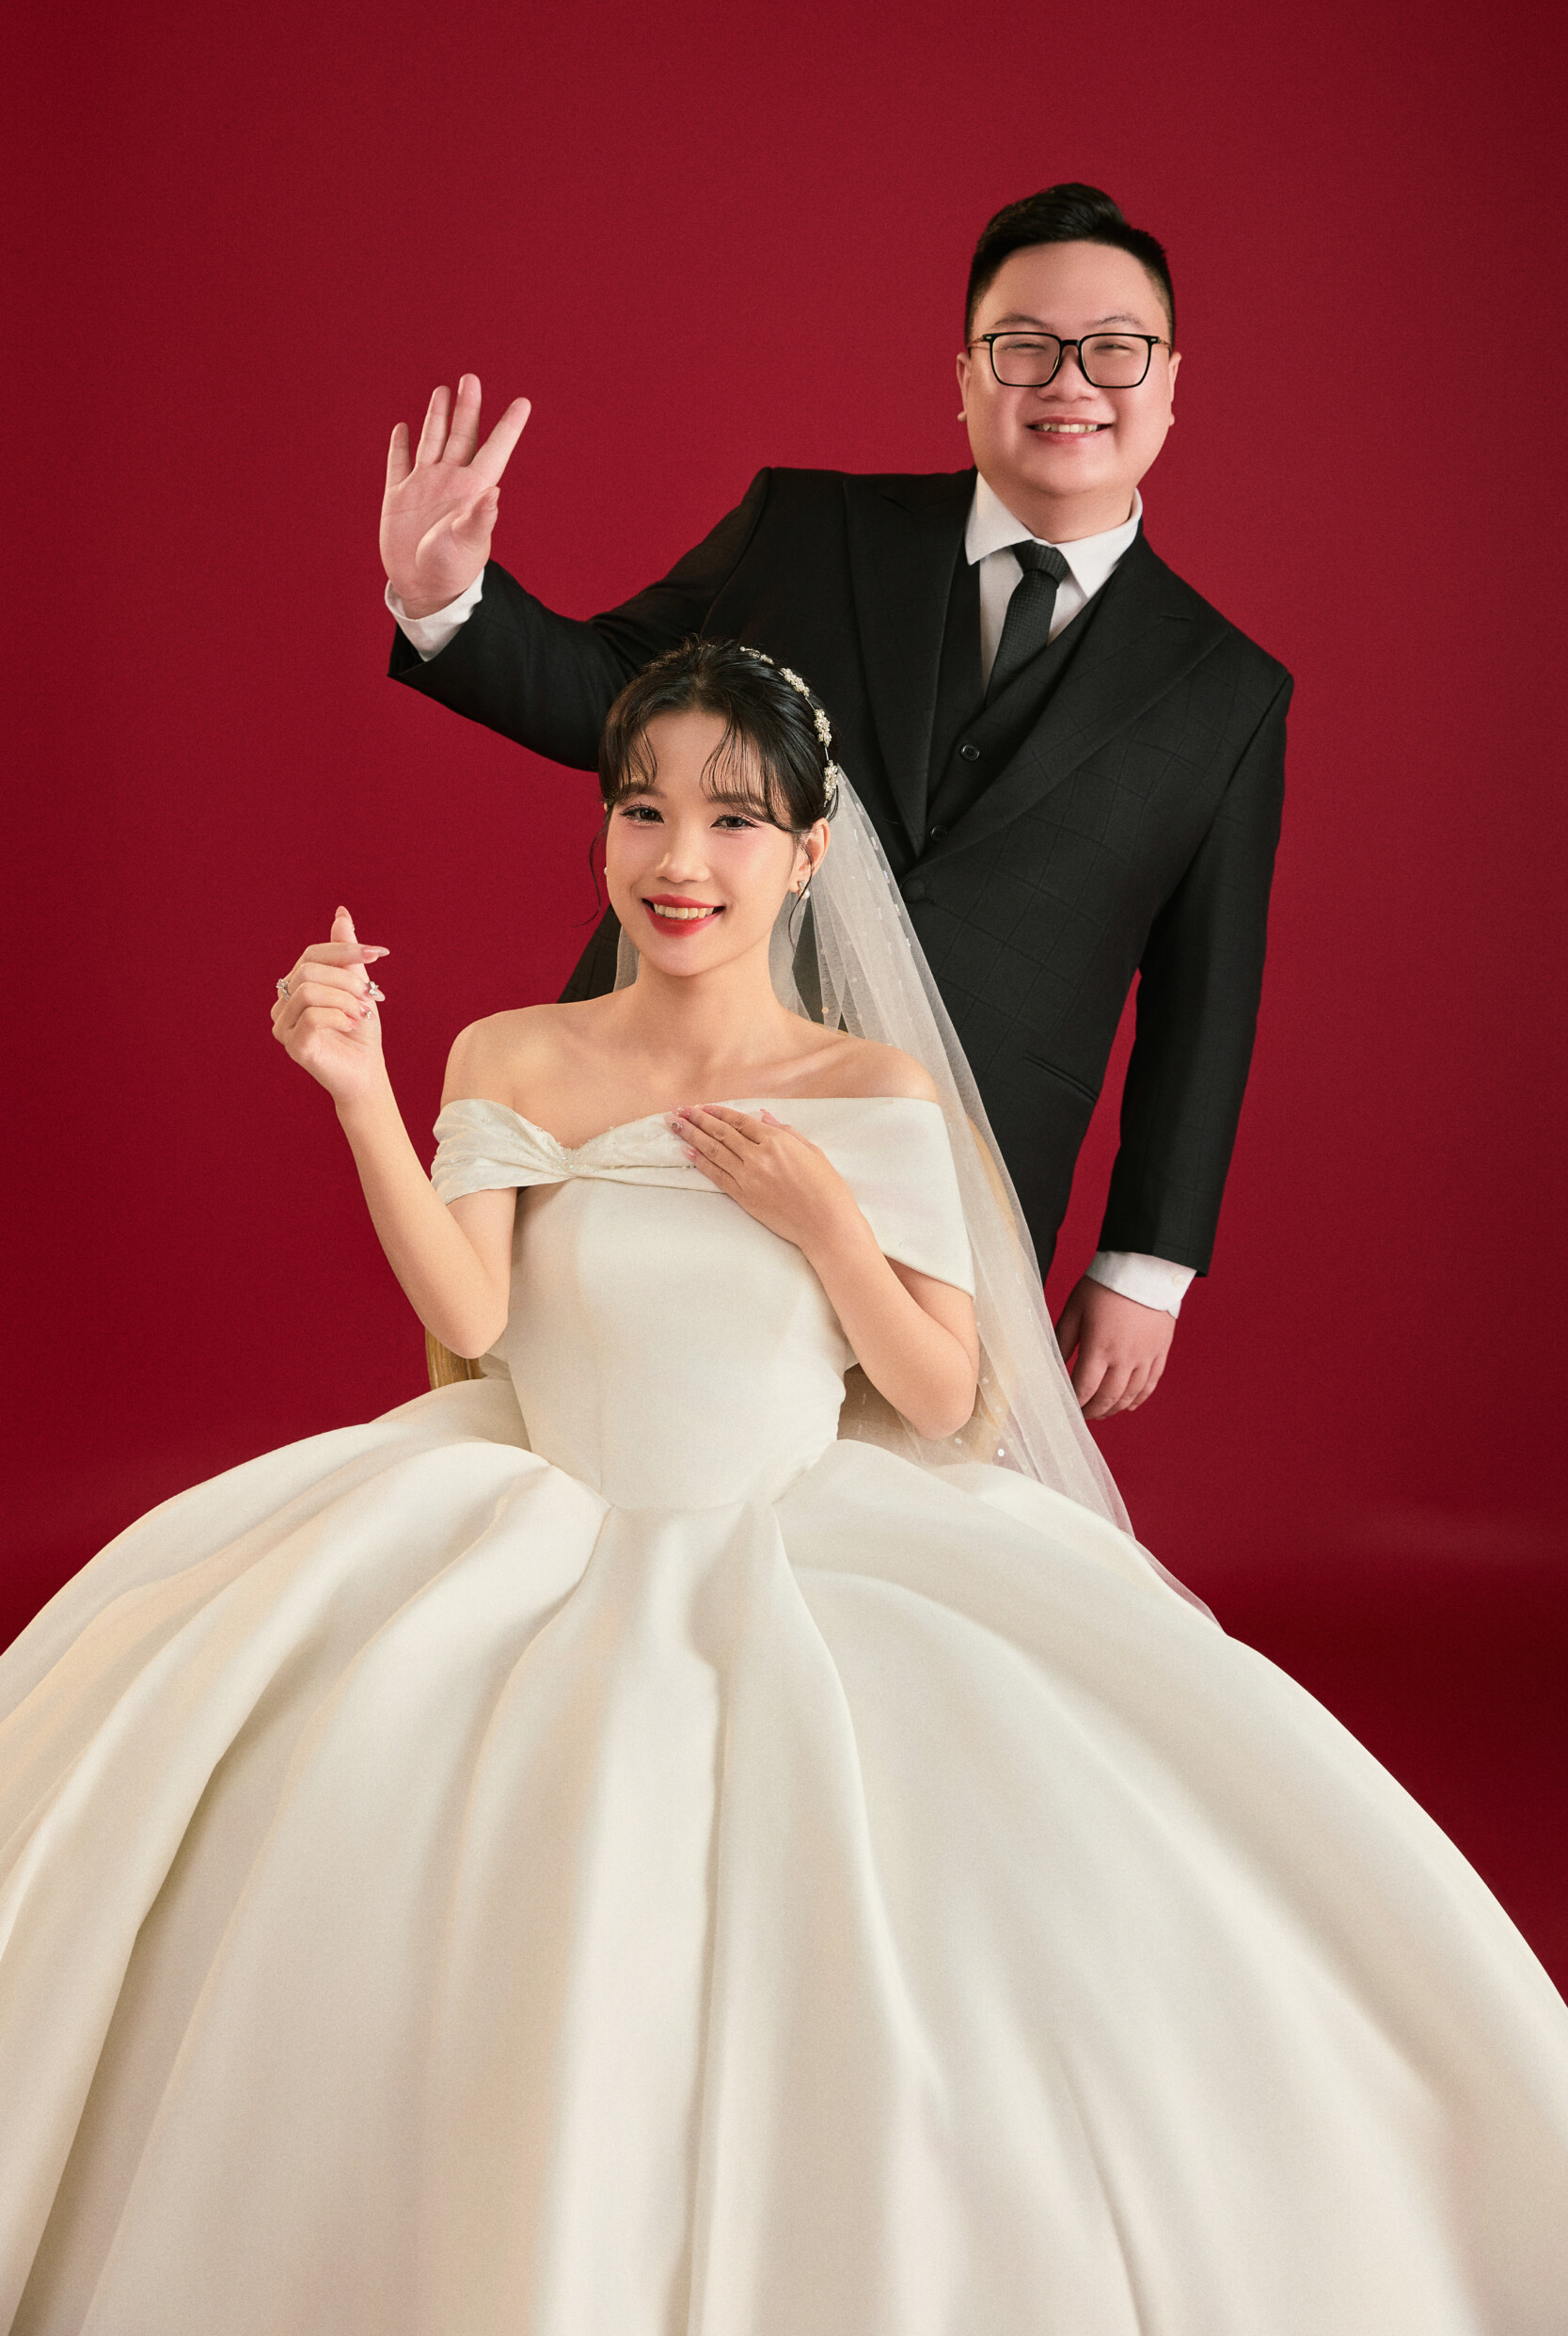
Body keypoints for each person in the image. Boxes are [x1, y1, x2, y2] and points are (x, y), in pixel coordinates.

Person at [3, 641, 1565, 2334]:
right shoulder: (514, 1053)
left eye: (736, 821)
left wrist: (827, 1222)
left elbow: (945, 1394)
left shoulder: (870, 1091)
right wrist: (363, 1092)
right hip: (540, 1515)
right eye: (644, 811)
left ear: (810, 852)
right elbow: (474, 1323)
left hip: (798, 1535)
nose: (681, 860)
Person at [380, 182, 1291, 1424]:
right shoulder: (810, 528)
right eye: (1023, 345)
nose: (1070, 382)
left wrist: (1148, 1261)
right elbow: (611, 695)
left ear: (1171, 381)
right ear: (964, 375)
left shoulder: (1228, 690)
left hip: (955, 1179)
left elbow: (1205, 993)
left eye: (1115, 349)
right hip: (659, 1121)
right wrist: (447, 596)